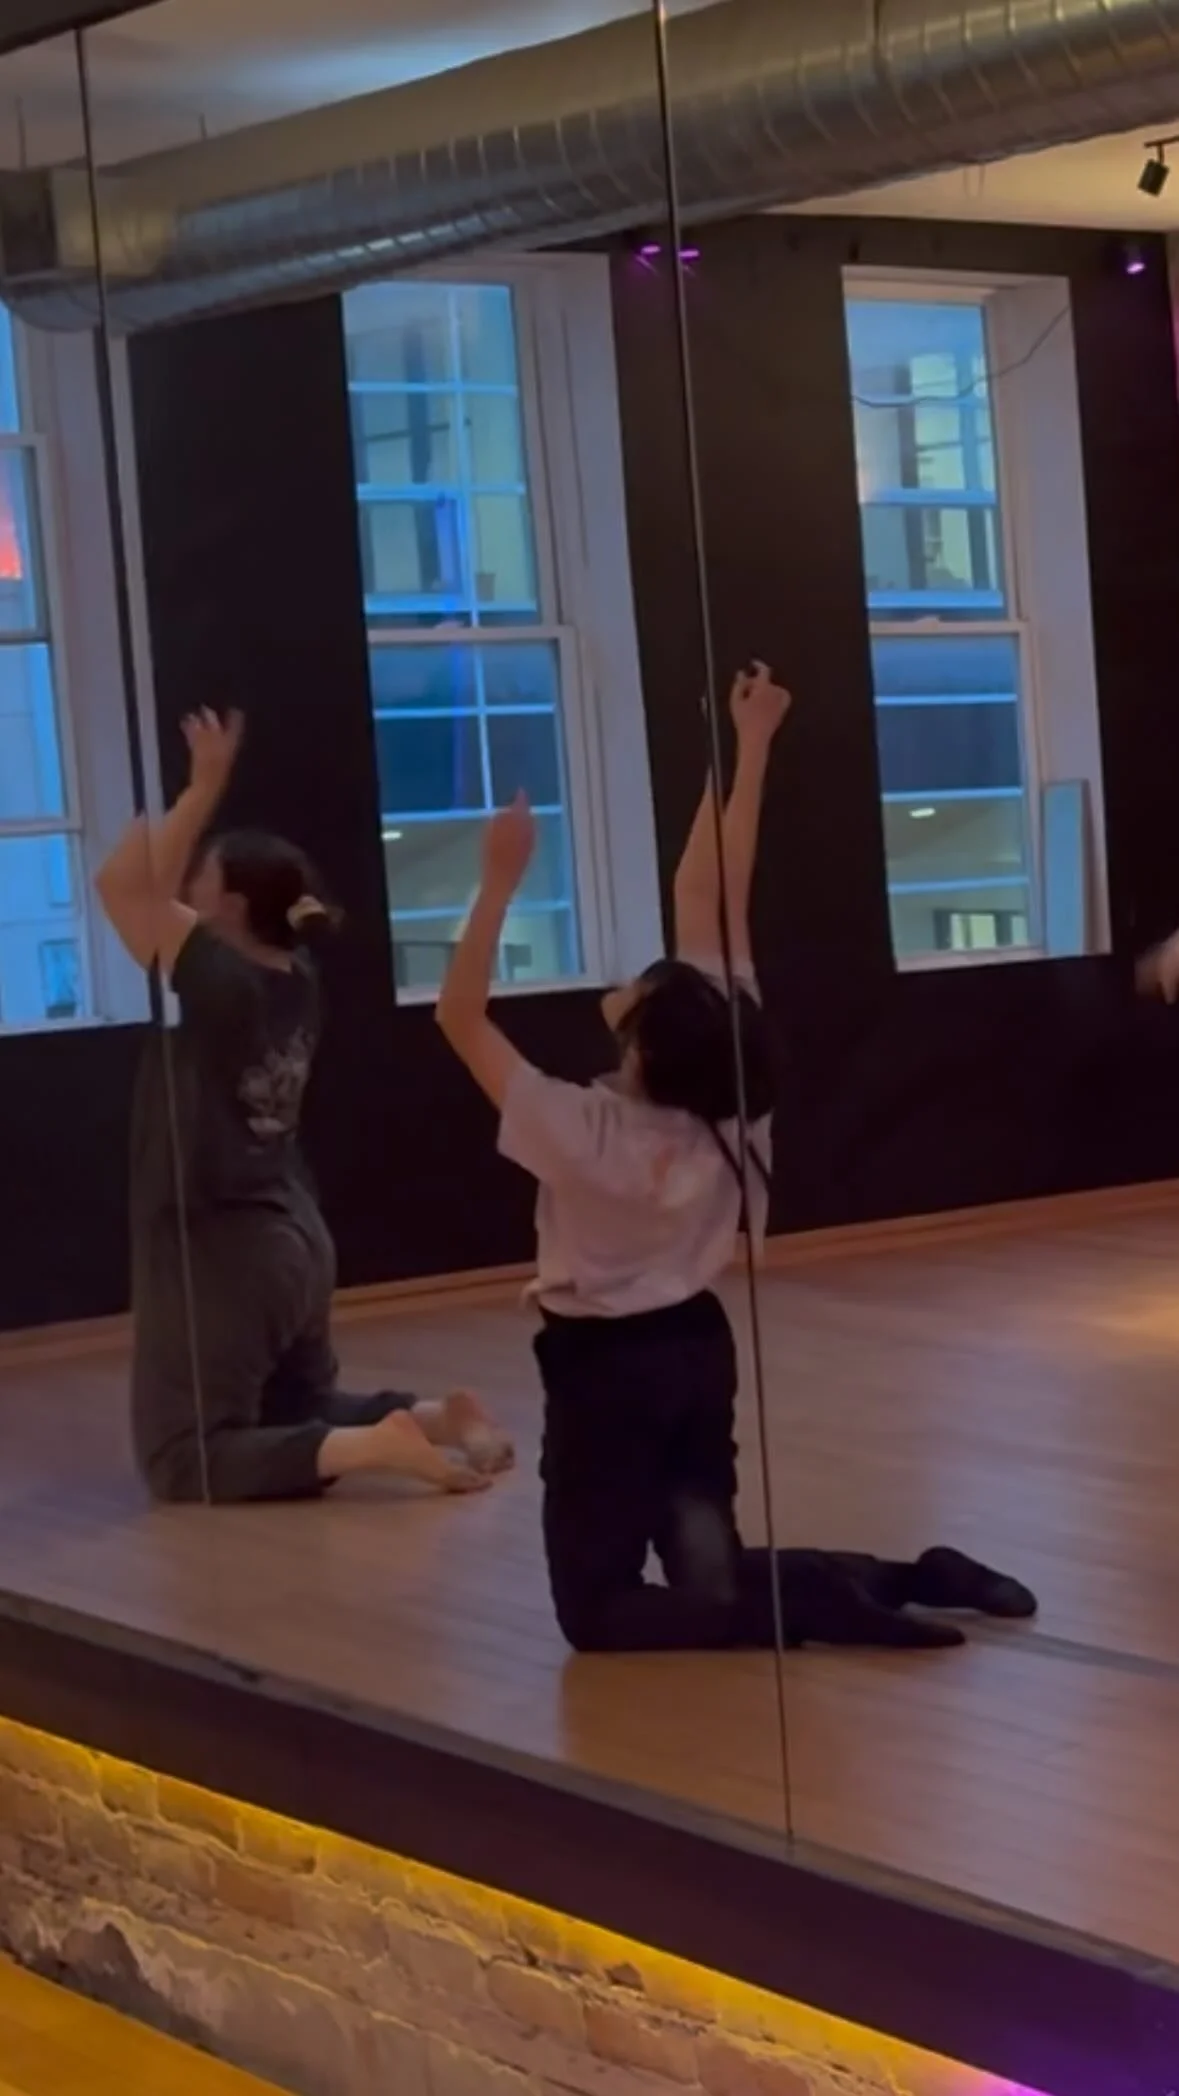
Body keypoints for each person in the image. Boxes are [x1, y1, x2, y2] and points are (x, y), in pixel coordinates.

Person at [436, 662, 1037, 1652]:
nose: (637, 981)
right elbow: (709, 892)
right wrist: (751, 744)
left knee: (598, 1611)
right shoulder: (737, 1101)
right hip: (695, 1346)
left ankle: (836, 1608)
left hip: (604, 1369)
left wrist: (498, 881)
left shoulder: (581, 1129)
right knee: (705, 1572)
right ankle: (907, 1580)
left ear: (640, 1048)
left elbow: (459, 1015)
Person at [95, 709, 512, 1505]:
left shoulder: (223, 982)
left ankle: (379, 1444)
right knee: (297, 1407)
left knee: (184, 1458)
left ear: (228, 908)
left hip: (224, 1248)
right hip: (295, 1236)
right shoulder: (295, 978)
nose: (187, 889)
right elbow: (140, 889)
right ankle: (436, 1418)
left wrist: (202, 787)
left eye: (202, 881)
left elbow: (122, 887)